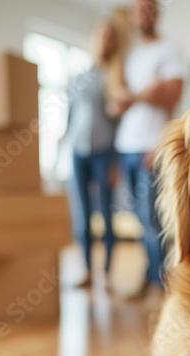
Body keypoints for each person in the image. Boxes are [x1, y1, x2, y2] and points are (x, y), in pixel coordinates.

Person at [108, 0, 186, 296]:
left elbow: (172, 94)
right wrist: (148, 92)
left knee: (153, 219)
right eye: (139, 9)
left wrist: (159, 144)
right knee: (140, 220)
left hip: (149, 148)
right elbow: (115, 105)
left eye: (150, 8)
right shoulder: (128, 56)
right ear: (132, 16)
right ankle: (152, 276)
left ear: (157, 13)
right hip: (125, 147)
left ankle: (162, 283)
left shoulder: (168, 51)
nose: (144, 14)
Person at [64, 20, 125, 288]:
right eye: (101, 35)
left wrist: (116, 163)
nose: (104, 40)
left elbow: (119, 122)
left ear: (113, 42)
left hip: (104, 152)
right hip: (78, 152)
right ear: (94, 39)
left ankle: (109, 273)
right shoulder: (78, 77)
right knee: (82, 214)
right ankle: (87, 270)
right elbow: (71, 115)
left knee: (105, 214)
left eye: (109, 36)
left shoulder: (116, 76)